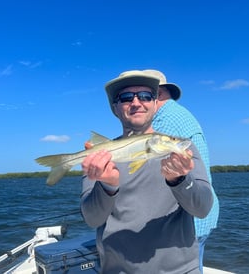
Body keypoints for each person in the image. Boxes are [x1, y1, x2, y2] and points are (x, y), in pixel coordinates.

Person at [80, 70, 214, 274]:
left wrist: (180, 180)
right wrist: (107, 186)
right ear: (115, 108)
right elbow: (92, 219)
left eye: (145, 96)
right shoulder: (101, 157)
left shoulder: (184, 150)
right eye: (125, 97)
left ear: (154, 103)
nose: (136, 102)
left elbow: (203, 208)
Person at [145, 69, 219, 273]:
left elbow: (146, 169)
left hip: (188, 220)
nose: (138, 104)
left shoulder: (162, 123)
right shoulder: (180, 114)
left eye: (144, 96)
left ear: (158, 95)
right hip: (201, 213)